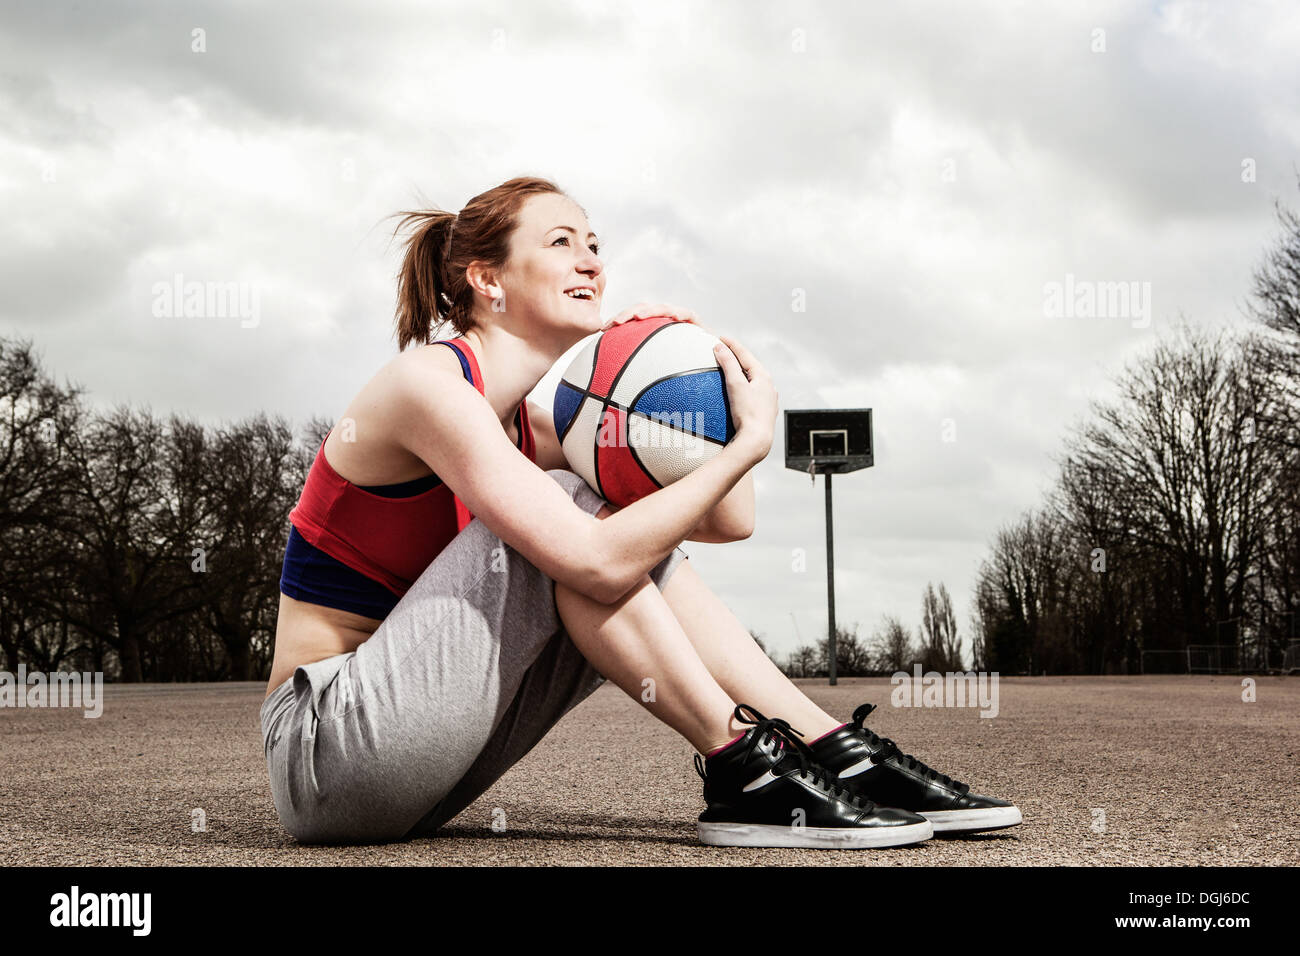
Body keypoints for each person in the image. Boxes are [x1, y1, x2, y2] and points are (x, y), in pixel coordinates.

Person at [260, 175, 1019, 849]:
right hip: (327, 754)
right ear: (487, 279)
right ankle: (744, 767)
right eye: (562, 242)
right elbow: (594, 558)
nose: (592, 259)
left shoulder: (546, 424)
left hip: (426, 763)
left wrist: (688, 384)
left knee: (603, 526)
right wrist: (747, 446)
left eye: (595, 243)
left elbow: (725, 523)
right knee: (574, 519)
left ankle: (830, 749)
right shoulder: (427, 386)